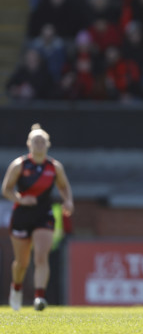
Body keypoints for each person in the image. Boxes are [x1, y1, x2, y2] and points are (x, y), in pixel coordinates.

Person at [1, 124, 74, 311]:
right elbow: (6, 189)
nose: (39, 144)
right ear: (29, 144)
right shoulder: (20, 165)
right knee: (22, 263)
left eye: (42, 141)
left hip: (44, 215)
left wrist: (68, 201)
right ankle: (16, 289)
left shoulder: (54, 167)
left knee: (41, 256)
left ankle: (39, 297)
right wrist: (20, 199)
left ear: (48, 144)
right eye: (36, 141)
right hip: (22, 216)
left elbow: (64, 186)